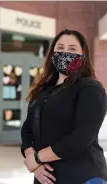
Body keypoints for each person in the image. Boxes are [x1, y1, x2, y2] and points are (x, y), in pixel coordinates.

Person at [20, 29, 107, 184]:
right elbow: (28, 128)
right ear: (52, 53)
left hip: (82, 175)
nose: (65, 52)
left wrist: (37, 158)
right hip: (45, 176)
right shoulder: (44, 90)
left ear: (83, 55)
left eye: (72, 49)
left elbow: (81, 138)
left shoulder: (90, 88)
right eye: (60, 48)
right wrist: (34, 164)